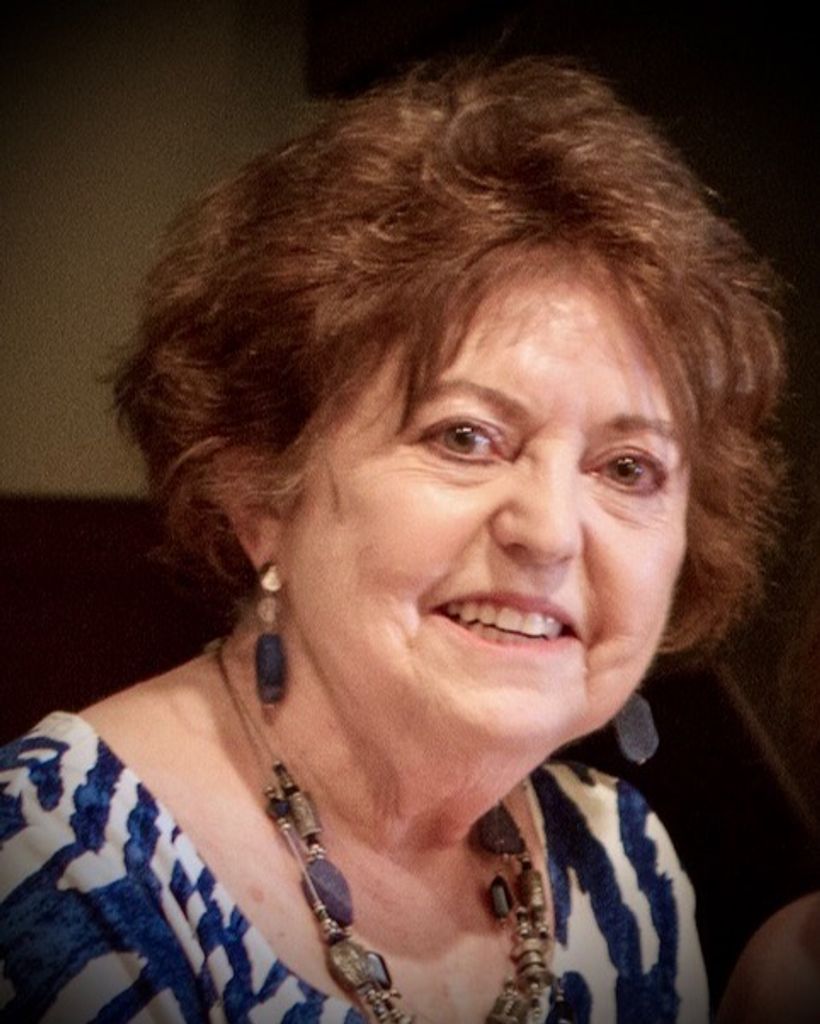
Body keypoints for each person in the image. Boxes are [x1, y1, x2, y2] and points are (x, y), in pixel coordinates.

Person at [0, 57, 784, 1024]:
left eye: (627, 468)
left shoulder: (623, 865)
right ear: (258, 494)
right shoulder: (60, 867)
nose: (548, 533)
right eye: (466, 438)